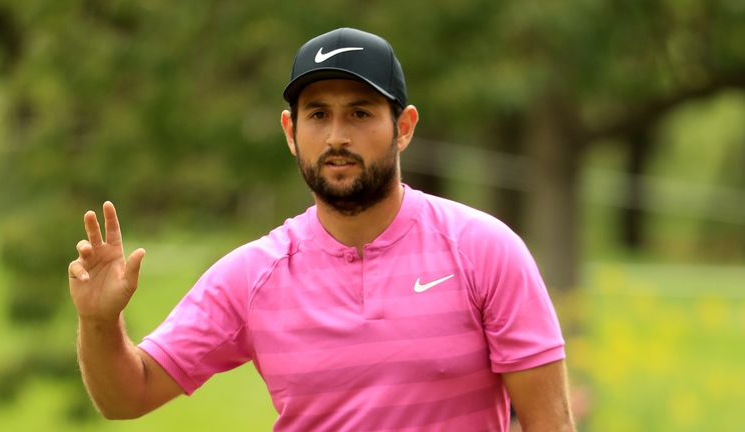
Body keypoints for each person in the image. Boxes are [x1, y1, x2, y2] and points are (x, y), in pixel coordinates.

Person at [68, 27, 575, 431]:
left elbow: (549, 424)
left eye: (359, 113)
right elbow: (127, 397)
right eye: (318, 114)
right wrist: (98, 323)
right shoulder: (253, 275)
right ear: (291, 133)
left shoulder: (483, 250)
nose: (337, 136)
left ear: (403, 127)